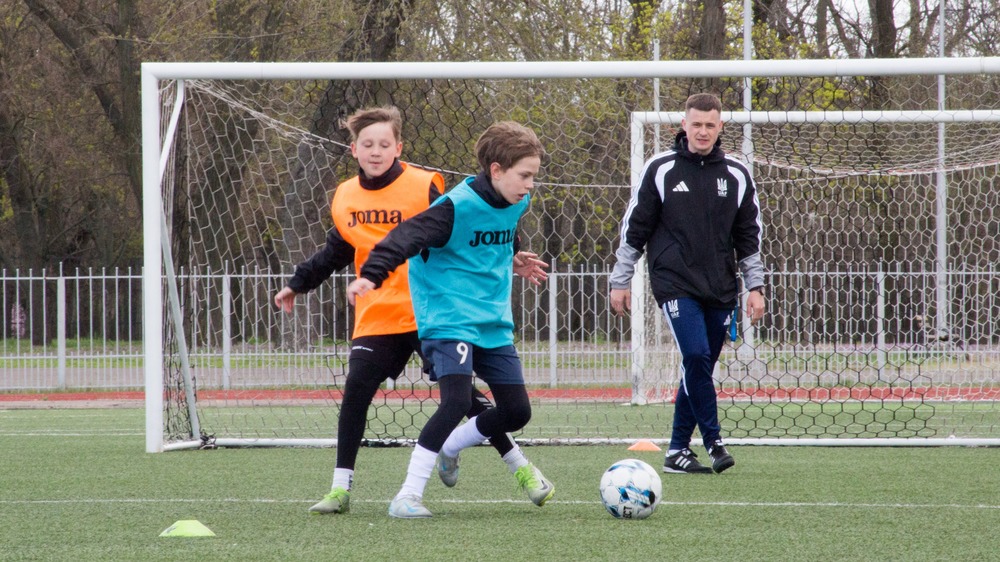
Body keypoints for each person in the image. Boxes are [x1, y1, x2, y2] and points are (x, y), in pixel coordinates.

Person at [274, 107, 551, 515]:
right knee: (378, 393)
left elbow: (481, 232)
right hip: (421, 313)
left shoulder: (440, 188)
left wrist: (512, 255)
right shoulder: (355, 196)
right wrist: (340, 278)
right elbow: (381, 241)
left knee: (493, 406)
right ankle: (365, 490)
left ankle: (486, 456)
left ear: (399, 147)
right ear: (353, 149)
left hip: (466, 316)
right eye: (368, 144)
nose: (376, 151)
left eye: (384, 143)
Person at [609, 93, 766, 475]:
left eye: (710, 125)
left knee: (699, 368)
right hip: (674, 281)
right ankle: (714, 442)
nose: (703, 131)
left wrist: (755, 287)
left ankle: (678, 450)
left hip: (720, 286)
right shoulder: (661, 169)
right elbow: (635, 228)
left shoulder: (737, 174)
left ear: (720, 127)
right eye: (696, 124)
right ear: (684, 125)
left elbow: (749, 237)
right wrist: (620, 279)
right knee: (695, 356)